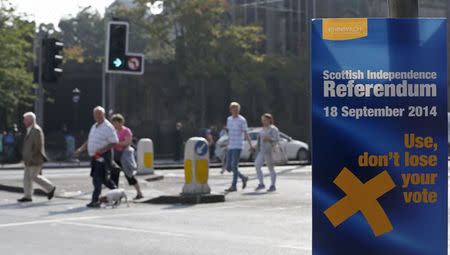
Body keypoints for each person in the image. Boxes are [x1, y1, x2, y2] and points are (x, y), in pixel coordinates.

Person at [75, 106, 118, 208]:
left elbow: (114, 142)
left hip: (103, 156)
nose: (98, 116)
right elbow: (89, 140)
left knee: (97, 179)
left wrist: (102, 150)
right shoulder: (94, 126)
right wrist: (80, 149)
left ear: (104, 115)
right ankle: (117, 192)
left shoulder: (108, 127)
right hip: (95, 156)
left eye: (100, 114)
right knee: (104, 179)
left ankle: (95, 200)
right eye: (96, 114)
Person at [18, 112, 56, 202]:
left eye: (25, 120)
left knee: (34, 176)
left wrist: (32, 157)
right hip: (28, 159)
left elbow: (38, 146)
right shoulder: (29, 129)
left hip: (35, 159)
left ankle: (50, 188)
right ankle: (27, 196)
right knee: (27, 178)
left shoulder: (36, 130)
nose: (24, 121)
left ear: (30, 120)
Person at [110, 114, 144, 200]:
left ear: (121, 122)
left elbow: (127, 142)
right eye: (113, 123)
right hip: (115, 155)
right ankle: (116, 196)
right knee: (114, 176)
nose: (114, 125)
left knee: (129, 175)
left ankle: (139, 193)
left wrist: (116, 143)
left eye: (115, 123)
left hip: (124, 156)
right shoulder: (113, 131)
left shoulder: (126, 131)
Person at [225, 102, 250, 192]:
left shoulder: (242, 120)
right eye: (233, 109)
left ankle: (233, 186)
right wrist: (227, 143)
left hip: (238, 145)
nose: (235, 110)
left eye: (236, 109)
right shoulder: (229, 119)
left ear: (239, 110)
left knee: (234, 166)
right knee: (228, 167)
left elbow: (245, 133)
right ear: (230, 110)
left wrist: (250, 145)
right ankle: (243, 177)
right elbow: (229, 132)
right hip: (230, 145)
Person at [252, 113, 280, 192]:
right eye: (262, 120)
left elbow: (277, 139)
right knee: (257, 165)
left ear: (269, 120)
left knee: (271, 168)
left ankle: (273, 185)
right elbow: (259, 140)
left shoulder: (273, 129)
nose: (263, 121)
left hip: (270, 151)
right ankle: (261, 184)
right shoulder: (262, 129)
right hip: (262, 151)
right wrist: (255, 146)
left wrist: (270, 139)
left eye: (265, 120)